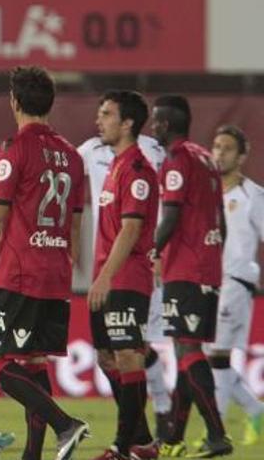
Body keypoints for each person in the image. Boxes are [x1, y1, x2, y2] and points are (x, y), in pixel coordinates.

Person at [0, 66, 89, 460]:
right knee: (35, 363)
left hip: (19, 272)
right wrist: (68, 265)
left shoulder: (14, 148)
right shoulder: (73, 156)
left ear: (14, 102)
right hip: (56, 271)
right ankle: (33, 455)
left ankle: (65, 424)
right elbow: (76, 222)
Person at [76, 107, 172, 443]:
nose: (98, 120)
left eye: (106, 114)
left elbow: (137, 225)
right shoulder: (102, 156)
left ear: (127, 122)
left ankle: (132, 438)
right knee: (107, 358)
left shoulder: (142, 164)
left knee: (131, 353)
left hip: (128, 272)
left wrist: (159, 252)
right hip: (104, 270)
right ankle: (142, 440)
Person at [149, 95, 233, 458]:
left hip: (185, 267)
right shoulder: (205, 158)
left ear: (166, 124)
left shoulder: (176, 159)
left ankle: (217, 434)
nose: (153, 126)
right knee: (186, 352)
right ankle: (173, 438)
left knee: (187, 350)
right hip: (207, 266)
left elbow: (170, 215)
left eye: (156, 121)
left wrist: (150, 252)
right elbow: (221, 221)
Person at [206, 125, 264, 446]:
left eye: (227, 148)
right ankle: (255, 409)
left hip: (236, 282)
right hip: (209, 283)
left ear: (241, 157)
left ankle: (215, 434)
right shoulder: (207, 192)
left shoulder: (253, 195)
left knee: (217, 354)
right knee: (211, 358)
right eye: (216, 146)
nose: (219, 153)